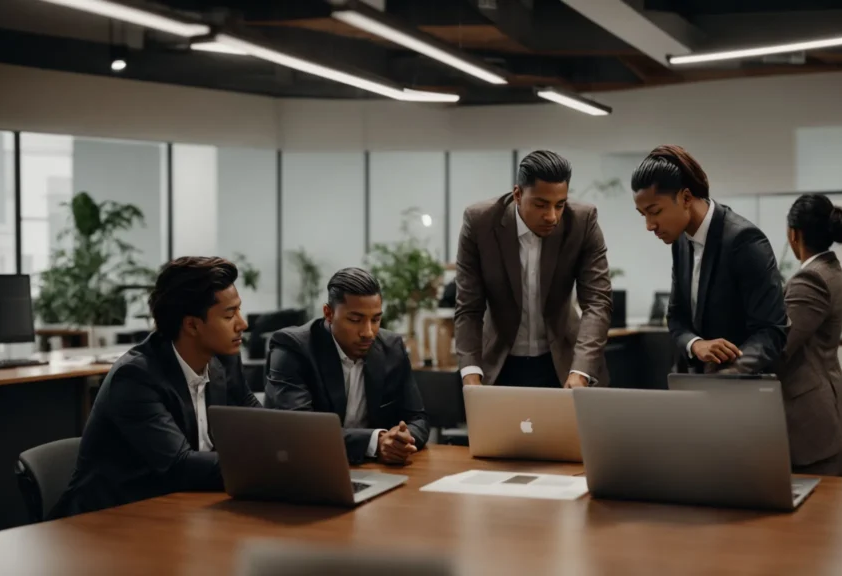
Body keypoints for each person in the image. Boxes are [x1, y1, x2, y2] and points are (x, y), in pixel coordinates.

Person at [50, 257, 260, 518]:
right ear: (192, 325)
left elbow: (257, 422)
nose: (243, 324)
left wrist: (288, 452)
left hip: (179, 510)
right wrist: (261, 465)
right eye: (230, 315)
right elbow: (179, 465)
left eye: (239, 311)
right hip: (108, 522)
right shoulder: (136, 377)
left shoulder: (224, 358)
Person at [455, 150, 612, 388]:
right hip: (499, 365)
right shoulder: (480, 223)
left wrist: (581, 369)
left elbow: (597, 302)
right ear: (517, 194)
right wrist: (470, 371)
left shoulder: (582, 222)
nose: (552, 216)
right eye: (541, 204)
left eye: (560, 205)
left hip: (565, 364)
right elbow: (468, 307)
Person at [632, 145, 787, 374]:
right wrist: (696, 345)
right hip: (694, 384)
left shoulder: (744, 241)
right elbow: (676, 318)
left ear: (685, 198)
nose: (649, 225)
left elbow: (772, 331)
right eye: (643, 214)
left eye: (655, 211)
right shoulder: (680, 241)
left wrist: (728, 375)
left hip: (738, 390)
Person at [265, 268, 429, 465]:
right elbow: (301, 431)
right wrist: (375, 442)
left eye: (376, 319)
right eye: (355, 320)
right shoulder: (293, 348)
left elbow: (418, 419)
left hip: (375, 471)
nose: (368, 332)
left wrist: (401, 441)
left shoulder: (391, 347)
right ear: (328, 313)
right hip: (308, 469)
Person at [778, 194, 842, 477]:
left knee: (820, 516)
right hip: (825, 412)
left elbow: (780, 346)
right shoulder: (830, 269)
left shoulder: (810, 278)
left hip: (812, 422)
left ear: (794, 234)